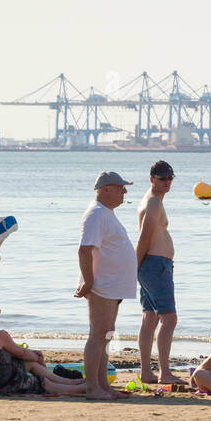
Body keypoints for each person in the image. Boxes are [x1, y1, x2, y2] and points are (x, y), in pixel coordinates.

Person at [76, 170, 138, 400]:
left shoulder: (106, 213)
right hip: (102, 285)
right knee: (98, 334)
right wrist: (89, 281)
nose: (125, 192)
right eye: (121, 187)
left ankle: (104, 385)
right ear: (106, 189)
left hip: (113, 285)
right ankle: (93, 388)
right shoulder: (95, 214)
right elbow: (84, 249)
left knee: (107, 335)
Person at [0, 296, 87, 396]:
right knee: (42, 382)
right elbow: (22, 353)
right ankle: (79, 388)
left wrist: (32, 356)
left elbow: (6, 355)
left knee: (30, 363)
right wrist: (37, 356)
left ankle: (70, 382)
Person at [135, 160, 184, 384]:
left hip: (153, 265)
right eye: (162, 178)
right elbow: (144, 237)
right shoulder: (153, 202)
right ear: (152, 178)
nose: (167, 182)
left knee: (150, 317)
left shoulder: (153, 201)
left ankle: (147, 372)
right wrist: (134, 267)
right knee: (169, 318)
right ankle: (165, 372)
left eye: (170, 178)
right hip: (155, 265)